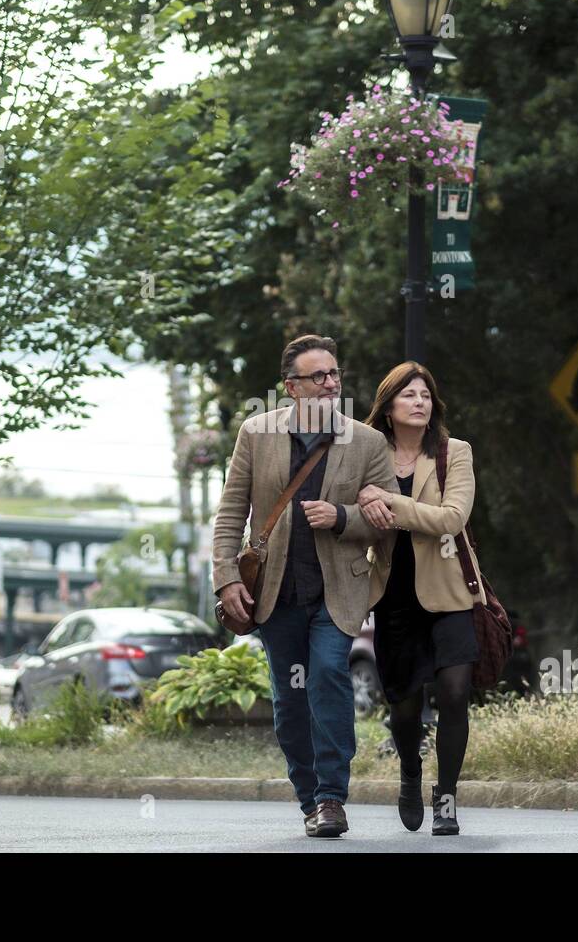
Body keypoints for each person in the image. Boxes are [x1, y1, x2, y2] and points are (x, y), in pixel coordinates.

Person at [212, 334, 397, 838]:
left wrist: (342, 517)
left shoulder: (367, 442)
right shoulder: (256, 433)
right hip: (275, 593)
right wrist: (227, 577)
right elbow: (231, 513)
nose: (330, 383)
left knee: (328, 677)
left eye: (334, 374)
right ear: (291, 386)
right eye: (318, 376)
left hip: (338, 592)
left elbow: (389, 518)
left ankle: (332, 798)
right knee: (290, 699)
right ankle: (307, 797)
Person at [360, 361, 483, 835]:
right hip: (393, 598)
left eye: (426, 395)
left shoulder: (455, 453)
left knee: (454, 694)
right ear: (388, 407)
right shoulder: (369, 458)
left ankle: (446, 797)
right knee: (405, 705)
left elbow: (451, 518)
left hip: (450, 595)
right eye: (409, 395)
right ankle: (410, 774)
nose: (419, 402)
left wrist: (389, 503)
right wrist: (364, 505)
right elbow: (358, 519)